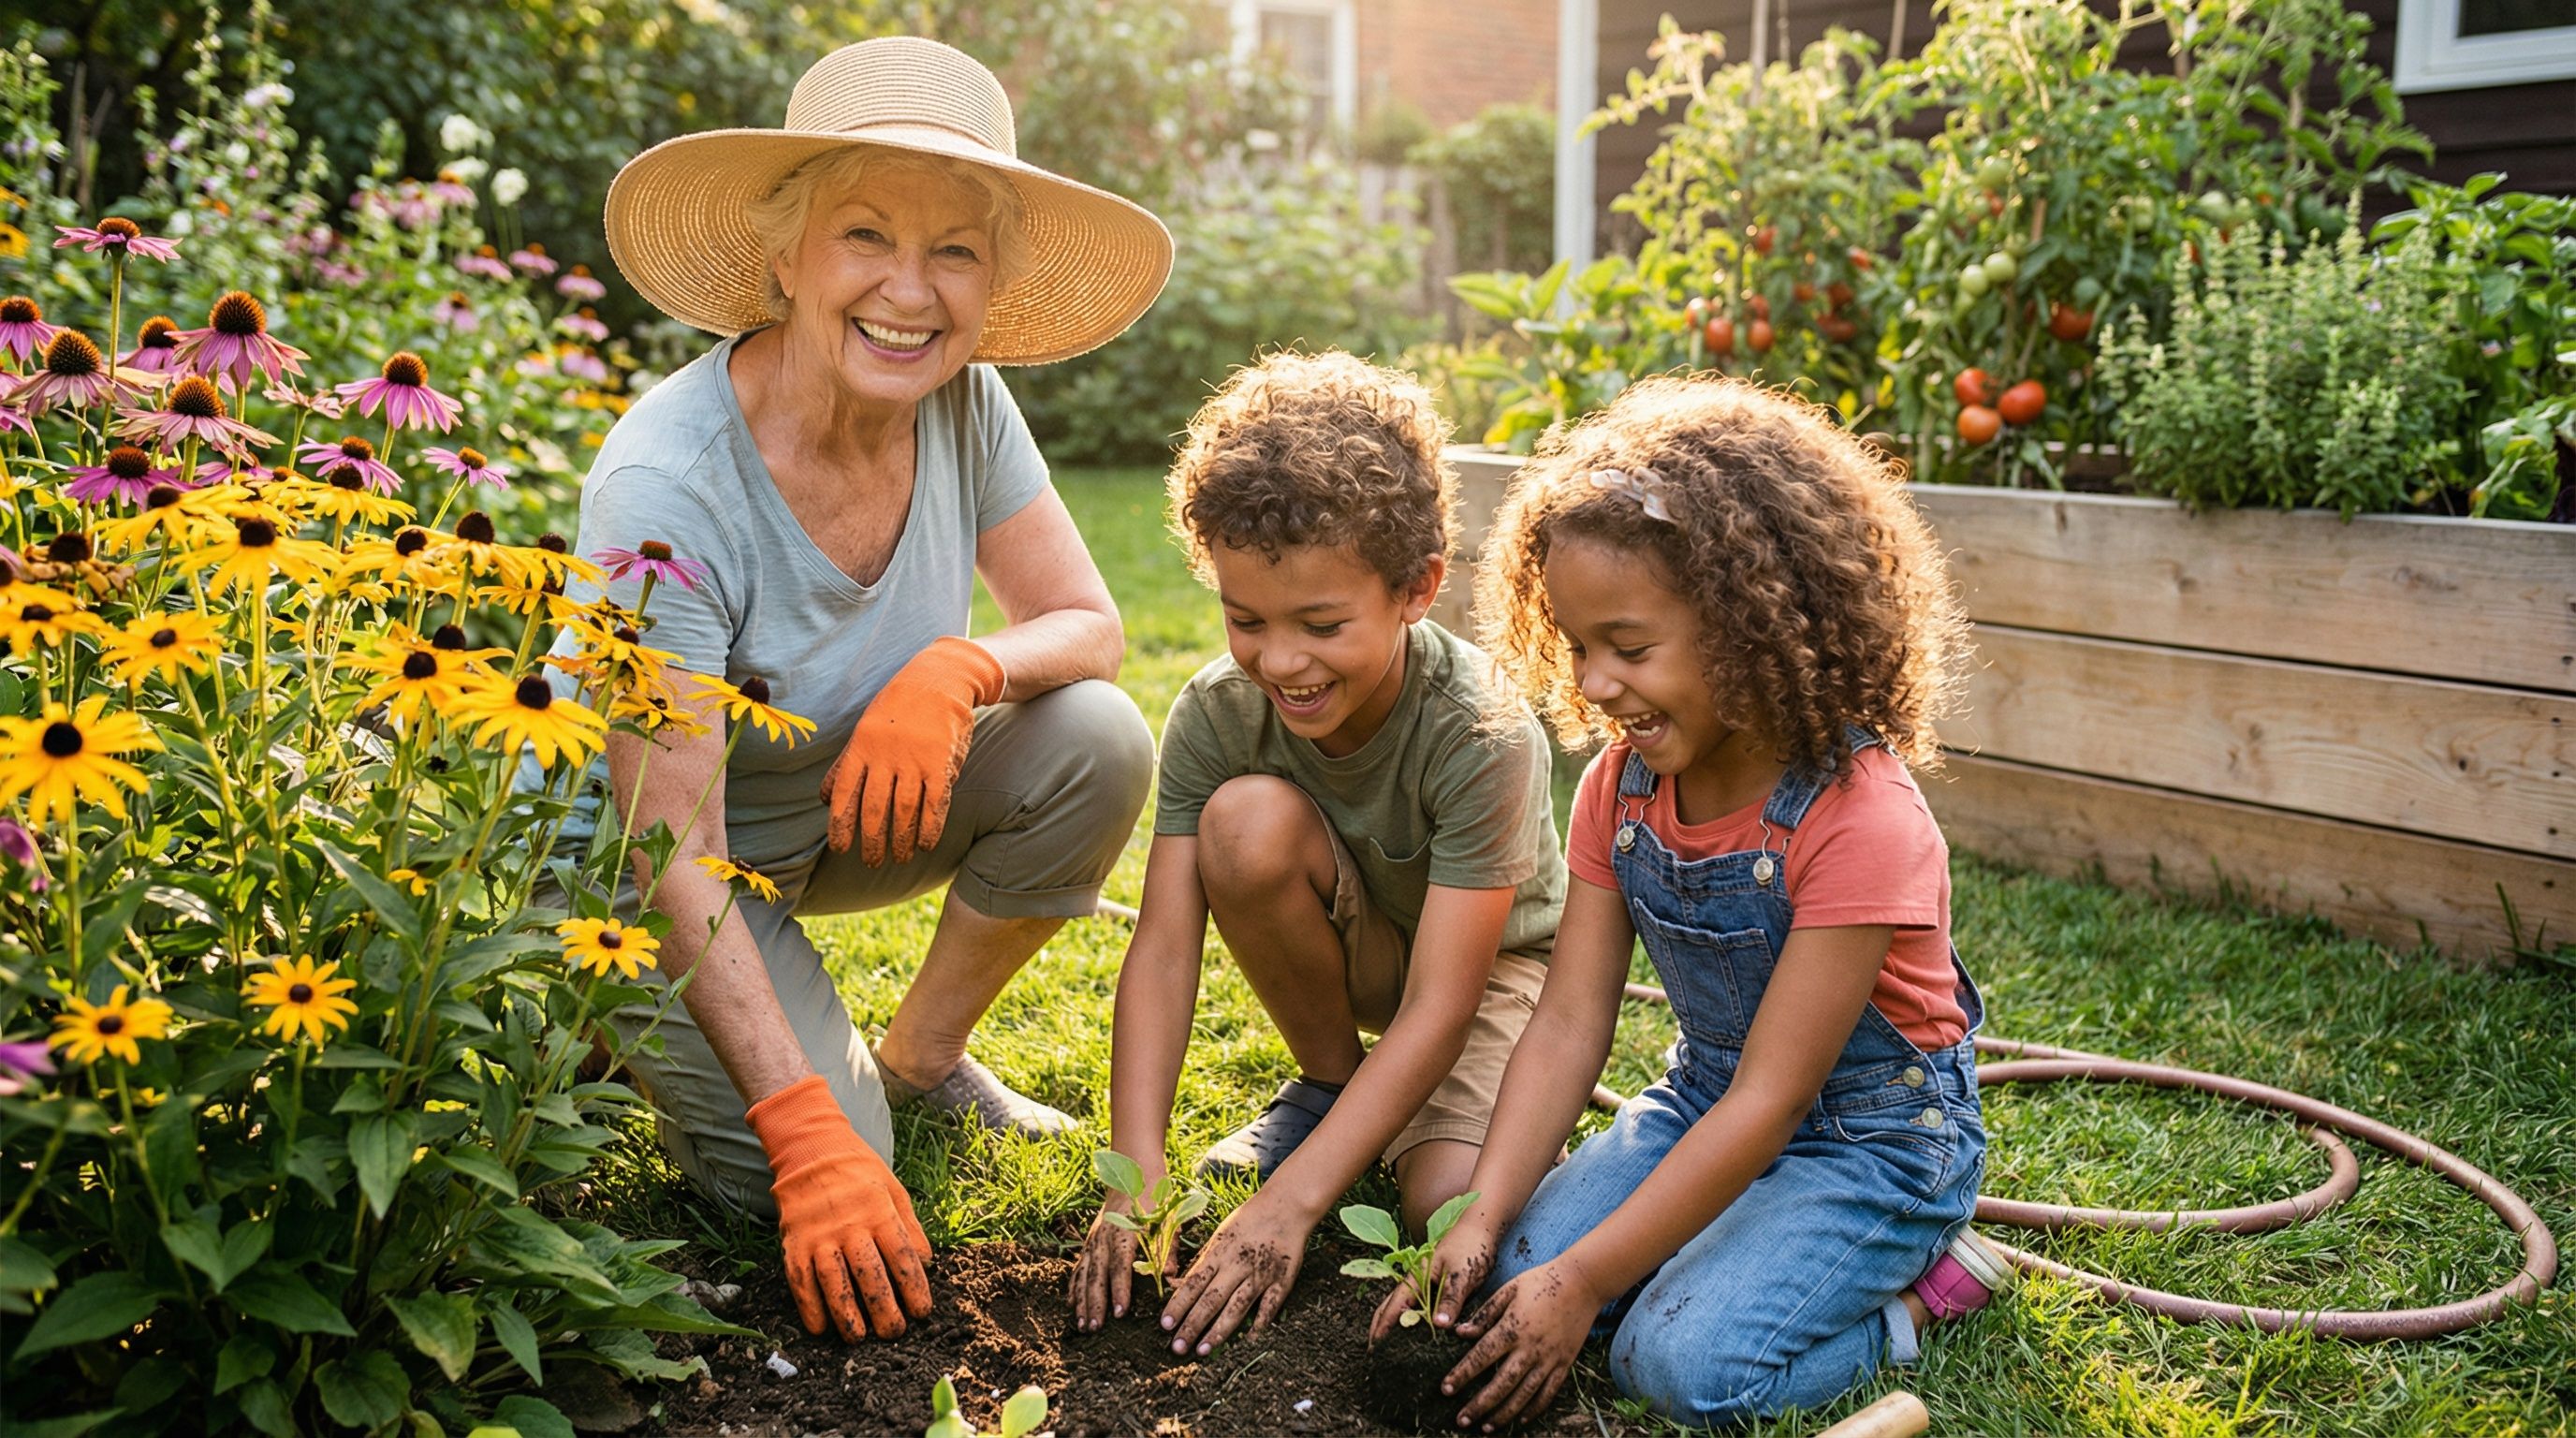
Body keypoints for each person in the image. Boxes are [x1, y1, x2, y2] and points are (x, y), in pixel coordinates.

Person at [541, 37, 1171, 1344]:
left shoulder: (966, 403)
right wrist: (801, 1132)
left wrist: (960, 666)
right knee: (821, 1169)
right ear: (785, 260)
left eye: (955, 250)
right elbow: (670, 848)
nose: (910, 290)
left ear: (991, 286)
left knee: (1095, 739)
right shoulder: (667, 489)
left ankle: (921, 1063)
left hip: (838, 804)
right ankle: (601, 1029)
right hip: (651, 871)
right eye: (865, 234)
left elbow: (1091, 628)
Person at [1374, 376, 2012, 1427]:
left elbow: (1773, 1102)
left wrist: (1580, 1287)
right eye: (1577, 647)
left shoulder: (1856, 818)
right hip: (1702, 1103)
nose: (1594, 683)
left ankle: (1913, 1301)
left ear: (1751, 626)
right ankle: (1713, 1255)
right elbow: (1570, 1023)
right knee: (1498, 1289)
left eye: (1629, 647)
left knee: (1676, 1366)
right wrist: (1480, 1218)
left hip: (1870, 1142)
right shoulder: (1617, 790)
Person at [1065, 352, 1567, 1355]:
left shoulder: (1479, 732)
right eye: (1246, 620)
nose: (1281, 661)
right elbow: (1163, 947)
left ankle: (1365, 1140)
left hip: (1491, 972)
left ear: (1416, 589)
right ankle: (1335, 1087)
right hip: (1359, 948)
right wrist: (1136, 1173)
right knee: (1243, 824)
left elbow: (1441, 1004)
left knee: (1442, 1205)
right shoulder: (1218, 711)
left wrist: (1291, 1205)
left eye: (1322, 624)